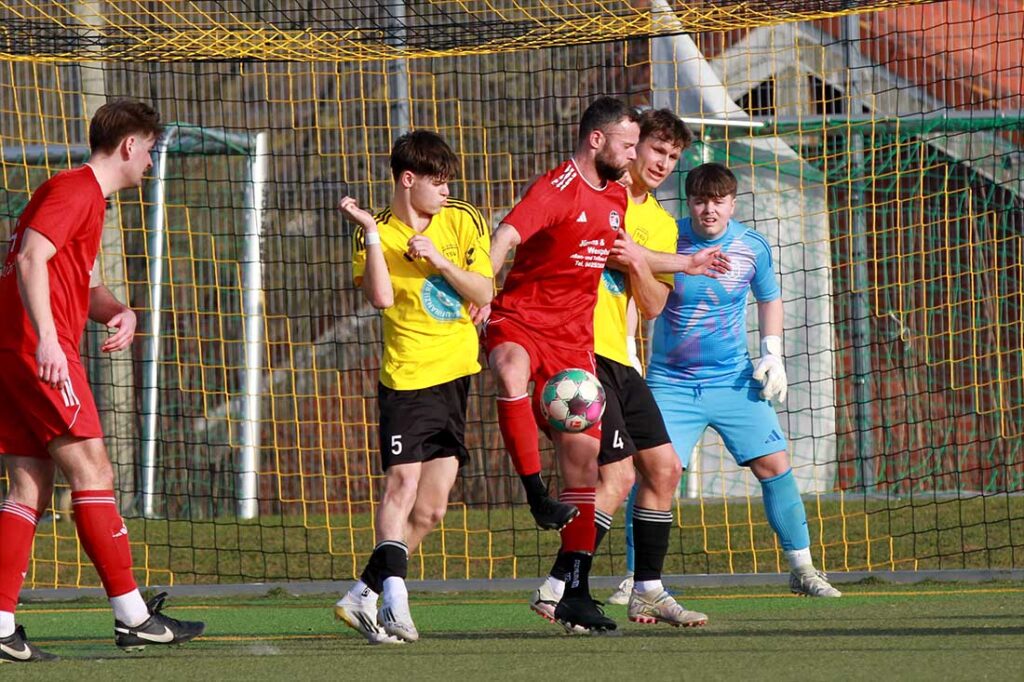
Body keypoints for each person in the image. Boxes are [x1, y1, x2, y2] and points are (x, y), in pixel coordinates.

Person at [0, 99, 205, 663]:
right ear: (129, 145)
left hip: (16, 348)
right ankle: (133, 617)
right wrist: (48, 341)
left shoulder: (82, 197)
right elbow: (31, 259)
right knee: (94, 470)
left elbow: (83, 284)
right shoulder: (76, 190)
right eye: (150, 151)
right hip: (38, 350)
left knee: (29, 486)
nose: (152, 163)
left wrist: (120, 311)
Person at [529, 108, 724, 629]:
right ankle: (561, 586)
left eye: (673, 156)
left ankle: (647, 590)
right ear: (632, 146)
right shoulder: (599, 193)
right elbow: (599, 249)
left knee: (664, 469)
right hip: (578, 351)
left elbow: (654, 304)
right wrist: (648, 258)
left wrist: (641, 260)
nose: (662, 162)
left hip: (622, 355)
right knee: (615, 477)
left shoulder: (659, 222)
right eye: (656, 149)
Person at [639, 162, 841, 598]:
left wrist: (772, 353)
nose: (708, 210)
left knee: (776, 466)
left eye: (718, 201)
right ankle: (638, 580)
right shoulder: (666, 240)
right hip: (670, 384)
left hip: (733, 380)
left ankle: (803, 570)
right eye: (699, 201)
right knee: (655, 477)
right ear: (688, 203)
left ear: (732, 204)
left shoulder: (752, 246)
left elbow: (769, 298)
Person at [333, 130, 494, 644]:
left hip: (456, 377)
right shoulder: (374, 230)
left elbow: (484, 288)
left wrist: (441, 261)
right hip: (406, 380)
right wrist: (372, 234)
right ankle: (395, 602)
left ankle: (362, 594)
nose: (446, 191)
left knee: (430, 510)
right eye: (437, 182)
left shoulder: (463, 218)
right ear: (408, 180)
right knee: (401, 486)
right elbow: (381, 298)